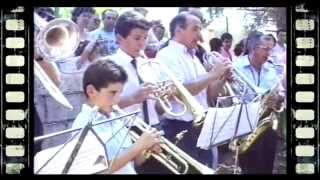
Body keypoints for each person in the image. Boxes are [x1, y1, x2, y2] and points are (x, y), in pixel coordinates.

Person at [156, 12, 233, 168]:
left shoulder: (194, 56)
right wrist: (213, 74)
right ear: (179, 30)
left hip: (201, 125)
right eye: (195, 29)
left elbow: (209, 95)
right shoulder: (166, 55)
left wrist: (222, 78)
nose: (200, 35)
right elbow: (178, 91)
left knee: (209, 166)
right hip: (180, 127)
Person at [72, 60, 162, 174]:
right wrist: (138, 146)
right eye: (112, 93)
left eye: (120, 93)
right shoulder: (83, 124)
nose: (117, 100)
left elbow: (133, 162)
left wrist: (146, 149)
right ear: (91, 91)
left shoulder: (116, 118)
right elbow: (98, 170)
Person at [233, 32, 285, 174]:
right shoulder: (236, 67)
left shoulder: (270, 68)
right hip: (246, 125)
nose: (269, 53)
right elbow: (233, 98)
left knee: (266, 166)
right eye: (265, 49)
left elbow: (280, 92)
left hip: (267, 125)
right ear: (253, 48)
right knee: (249, 168)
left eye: (271, 49)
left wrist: (279, 98)